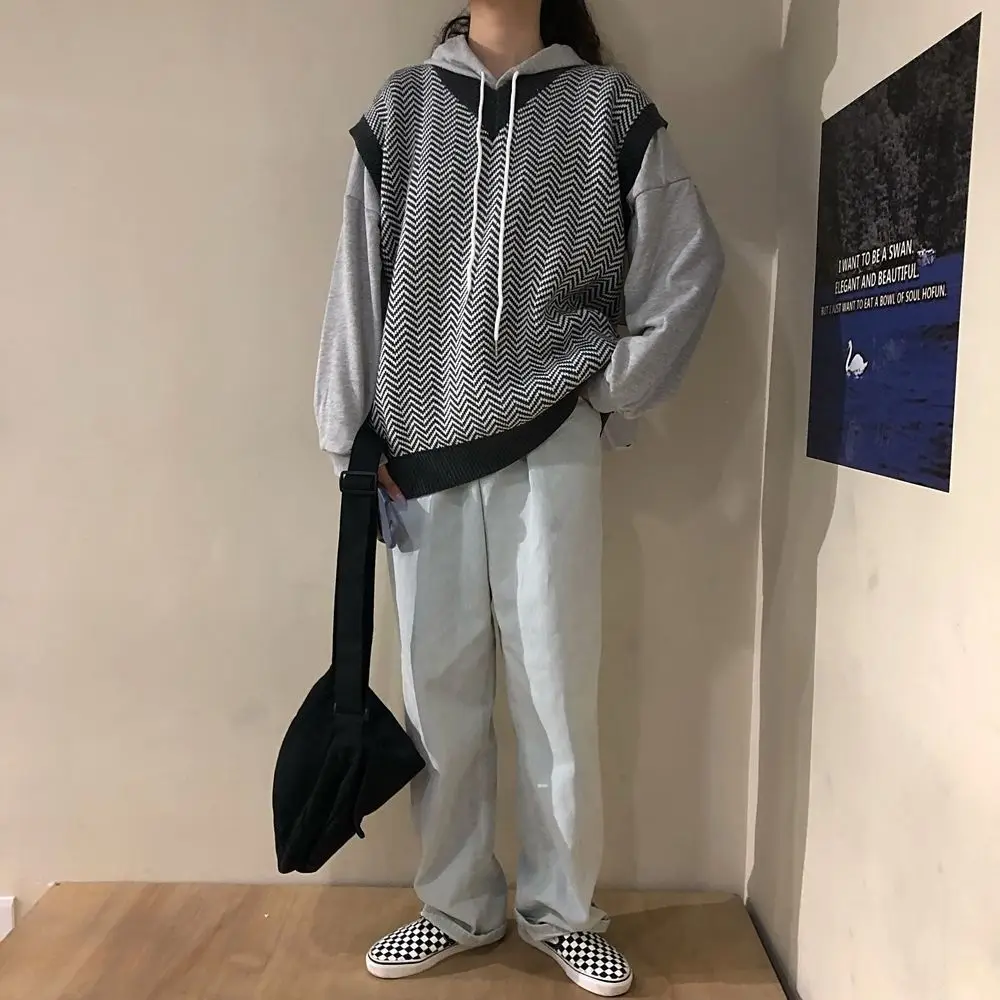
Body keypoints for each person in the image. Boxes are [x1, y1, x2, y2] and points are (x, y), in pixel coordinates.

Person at [314, 0, 724, 994]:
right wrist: (345, 433)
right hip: (419, 456)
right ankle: (456, 906)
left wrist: (608, 389)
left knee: (555, 692)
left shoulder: (605, 106)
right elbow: (358, 279)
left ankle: (561, 911)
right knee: (437, 699)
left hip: (551, 447)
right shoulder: (404, 107)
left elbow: (688, 263)